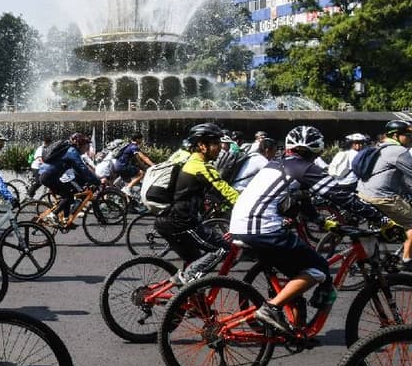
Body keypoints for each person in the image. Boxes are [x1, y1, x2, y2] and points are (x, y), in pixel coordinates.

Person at [231, 126, 394, 333]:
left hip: (242, 225)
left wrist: (321, 221)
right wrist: (381, 218)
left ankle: (297, 329)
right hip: (263, 228)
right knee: (318, 269)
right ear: (315, 151)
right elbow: (340, 195)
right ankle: (271, 308)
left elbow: (302, 197)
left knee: (299, 273)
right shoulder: (304, 167)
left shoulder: (276, 163)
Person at [155, 124, 239, 286]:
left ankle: (190, 306)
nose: (220, 148)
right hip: (182, 222)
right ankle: (187, 281)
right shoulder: (201, 166)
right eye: (215, 143)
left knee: (196, 262)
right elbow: (226, 191)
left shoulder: (187, 159)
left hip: (168, 219)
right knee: (223, 248)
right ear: (202, 146)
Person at [357, 120, 412, 269]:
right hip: (381, 196)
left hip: (363, 192)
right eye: (407, 135)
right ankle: (407, 260)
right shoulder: (398, 151)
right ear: (395, 135)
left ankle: (382, 253)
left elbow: (398, 178)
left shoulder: (379, 147)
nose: (411, 138)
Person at [37, 133, 100, 224]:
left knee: (69, 192)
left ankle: (65, 219)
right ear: (80, 144)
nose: (87, 148)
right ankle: (53, 215)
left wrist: (87, 179)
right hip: (49, 176)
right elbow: (82, 167)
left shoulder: (70, 150)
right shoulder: (72, 152)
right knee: (68, 195)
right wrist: (95, 180)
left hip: (48, 175)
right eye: (86, 145)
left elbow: (78, 169)